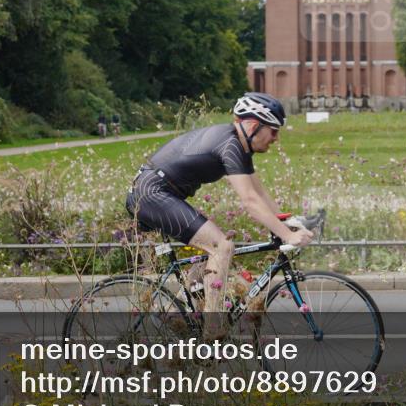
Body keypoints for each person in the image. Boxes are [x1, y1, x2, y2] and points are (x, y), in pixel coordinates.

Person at [125, 92, 313, 338]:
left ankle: (184, 313)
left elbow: (259, 192)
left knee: (212, 250)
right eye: (274, 131)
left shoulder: (238, 145)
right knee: (221, 247)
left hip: (161, 193)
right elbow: (250, 201)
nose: (276, 139)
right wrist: (288, 236)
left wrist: (286, 221)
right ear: (254, 125)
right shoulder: (230, 144)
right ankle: (212, 332)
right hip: (150, 193)